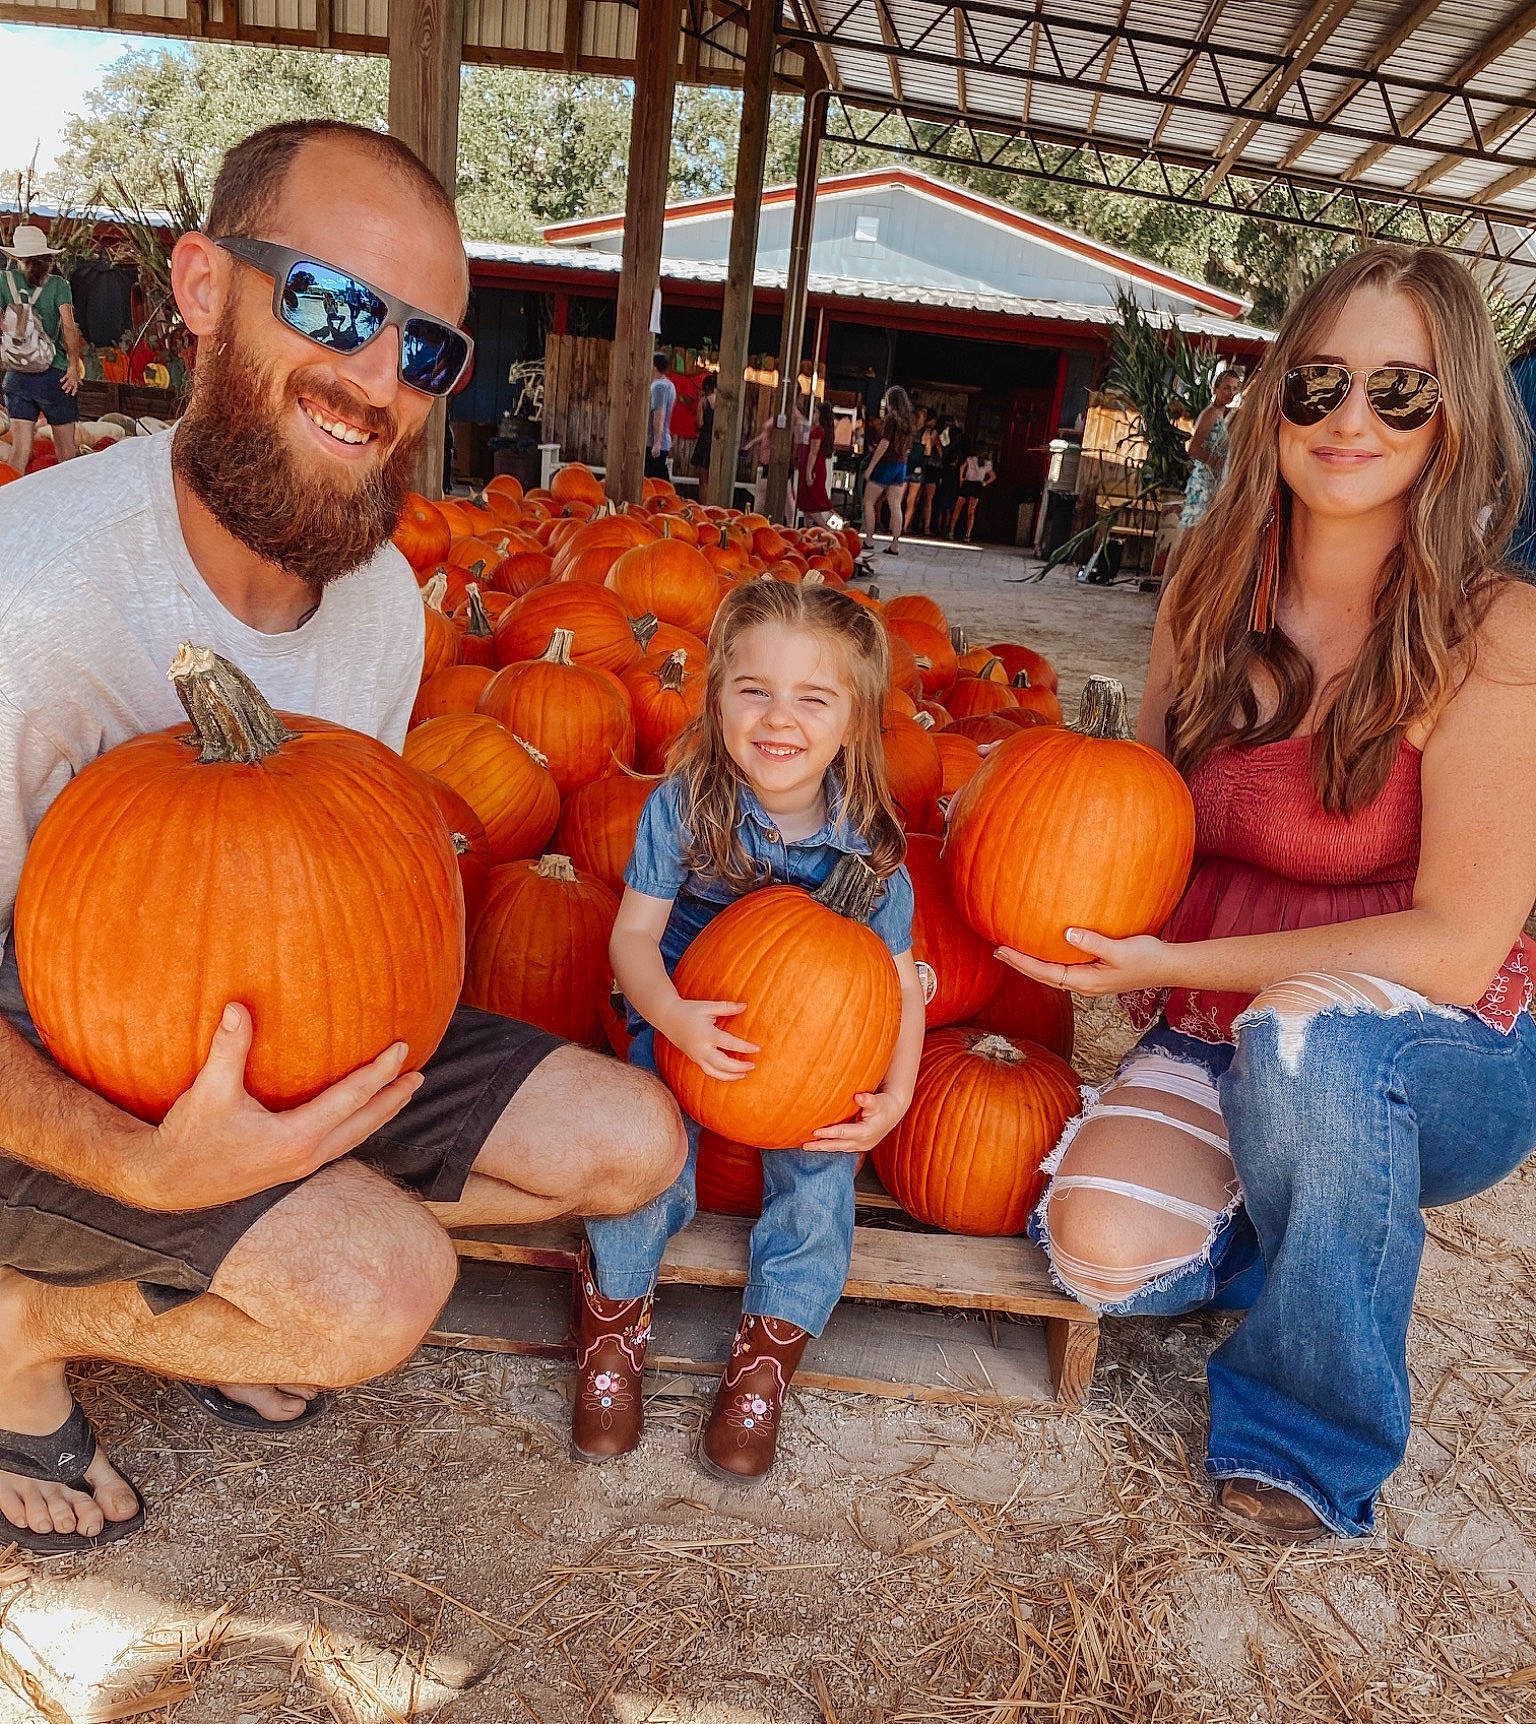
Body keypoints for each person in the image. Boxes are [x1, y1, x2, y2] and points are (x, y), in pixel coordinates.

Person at [0, 120, 685, 1555]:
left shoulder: (377, 599)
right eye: (331, 306)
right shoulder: (37, 599)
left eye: (426, 348)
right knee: (377, 1290)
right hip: (56, 1063)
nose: (378, 379)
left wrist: (281, 1134)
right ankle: (22, 1326)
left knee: (632, 1142)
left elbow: (338, 883)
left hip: (278, 1032)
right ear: (201, 286)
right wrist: (149, 1174)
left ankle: (221, 1272)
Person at [1003, 244, 1536, 1545]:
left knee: (1307, 1044)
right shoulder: (1208, 590)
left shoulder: (1495, 628)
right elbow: (1148, 827)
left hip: (1424, 1046)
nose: (1353, 419)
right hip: (1212, 1014)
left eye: (1400, 392)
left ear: (1456, 413)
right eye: (1322, 382)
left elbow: (1459, 947)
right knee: (1102, 1256)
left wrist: (1148, 970)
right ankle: (1306, 1234)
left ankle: (1306, 1441)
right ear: (1276, 399)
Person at [574, 580, 925, 1480]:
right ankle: (613, 1332)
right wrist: (671, 1019)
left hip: (817, 1052)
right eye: (754, 689)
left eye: (813, 698)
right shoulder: (684, 807)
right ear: (718, 694)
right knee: (645, 1158)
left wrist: (894, 1097)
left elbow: (897, 987)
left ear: (853, 722)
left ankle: (764, 1366)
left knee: (819, 1180)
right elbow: (633, 939)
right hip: (690, 1009)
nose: (780, 718)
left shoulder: (871, 850)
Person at [1, 223, 87, 474]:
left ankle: (8, 505)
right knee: (66, 454)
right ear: (48, 257)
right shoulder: (59, 285)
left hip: (17, 376)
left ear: (17, 256)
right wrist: (72, 367)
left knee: (20, 452)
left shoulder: (4, 281)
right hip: (54, 375)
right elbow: (69, 328)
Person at [1177, 365, 1244, 535]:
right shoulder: (1211, 413)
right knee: (1191, 530)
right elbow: (1193, 448)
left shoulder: (1228, 414)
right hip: (1203, 481)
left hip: (1216, 482)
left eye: (1235, 389)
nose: (1230, 393)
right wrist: (1219, 463)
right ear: (1216, 389)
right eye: (1226, 388)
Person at [862, 384, 914, 555]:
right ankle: (895, 544)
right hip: (901, 465)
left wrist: (871, 466)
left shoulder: (891, 419)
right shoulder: (908, 421)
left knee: (868, 501)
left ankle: (869, 540)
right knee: (895, 505)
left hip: (886, 464)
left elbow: (884, 444)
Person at [796, 398, 835, 525]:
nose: (813, 415)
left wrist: (808, 473)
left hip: (814, 469)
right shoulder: (823, 430)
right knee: (809, 505)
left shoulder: (818, 431)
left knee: (813, 504)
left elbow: (813, 453)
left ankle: (827, 528)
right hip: (817, 467)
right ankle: (811, 531)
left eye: (815, 412)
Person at [953, 445, 995, 540]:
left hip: (968, 483)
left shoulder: (970, 459)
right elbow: (993, 476)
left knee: (958, 507)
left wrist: (961, 480)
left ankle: (951, 530)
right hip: (977, 485)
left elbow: (961, 467)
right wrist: (984, 483)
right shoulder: (987, 463)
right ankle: (968, 534)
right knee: (971, 511)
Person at [648, 352, 677, 481]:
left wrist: (657, 443)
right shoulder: (669, 385)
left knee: (654, 482)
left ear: (654, 367)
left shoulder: (658, 387)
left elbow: (659, 413)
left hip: (653, 441)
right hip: (663, 439)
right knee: (659, 480)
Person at [692, 369, 717, 487]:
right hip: (718, 443)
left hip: (705, 441)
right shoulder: (723, 402)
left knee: (703, 482)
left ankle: (703, 504)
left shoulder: (704, 401)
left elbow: (699, 423)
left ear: (706, 387)